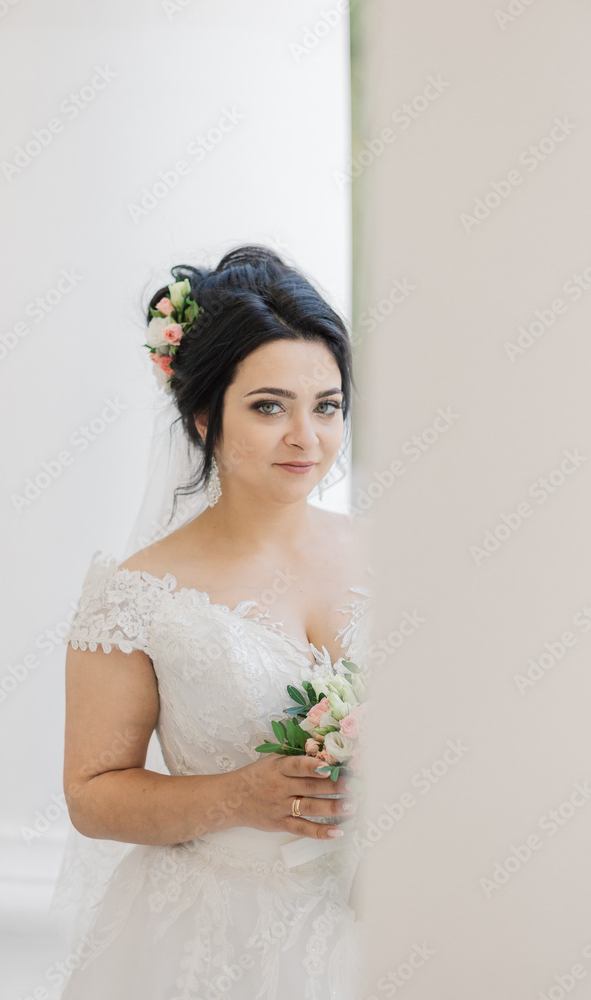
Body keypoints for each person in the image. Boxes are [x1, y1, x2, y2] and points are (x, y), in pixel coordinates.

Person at [58, 245, 373, 998]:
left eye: (326, 405)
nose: (306, 437)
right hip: (214, 937)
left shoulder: (395, 552)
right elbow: (92, 795)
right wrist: (239, 795)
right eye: (269, 406)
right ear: (204, 418)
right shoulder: (134, 596)